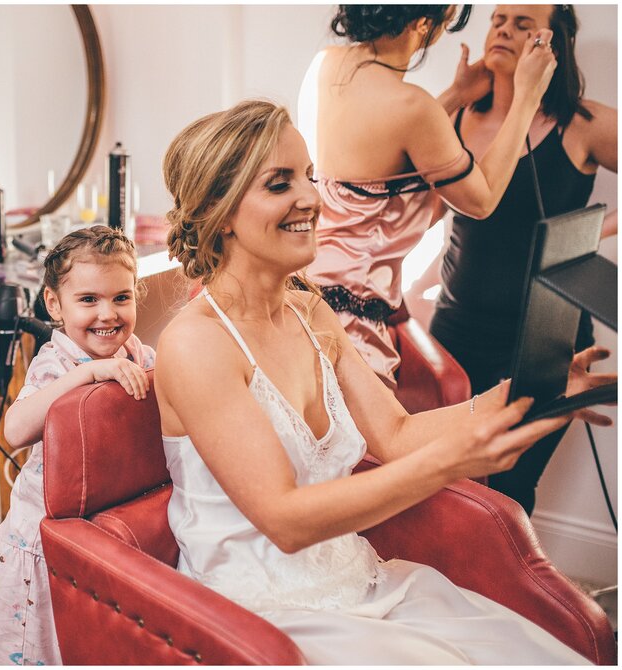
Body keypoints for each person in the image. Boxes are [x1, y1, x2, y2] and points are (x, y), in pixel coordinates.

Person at [154, 99, 613, 664]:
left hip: (362, 582)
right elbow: (285, 520)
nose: (311, 199)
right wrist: (449, 463)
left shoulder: (309, 312)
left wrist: (527, 394)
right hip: (261, 615)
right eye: (280, 184)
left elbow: (394, 433)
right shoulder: (196, 344)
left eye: (309, 176)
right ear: (221, 212)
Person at [297, 5, 557, 389]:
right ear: (423, 23)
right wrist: (527, 98)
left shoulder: (327, 64)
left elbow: (381, 145)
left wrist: (456, 95)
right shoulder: (413, 107)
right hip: (352, 324)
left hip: (305, 296)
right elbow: (481, 201)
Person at [428, 5, 618, 515]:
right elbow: (400, 204)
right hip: (456, 332)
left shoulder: (584, 124)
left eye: (522, 23)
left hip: (546, 341)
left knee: (507, 493)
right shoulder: (456, 119)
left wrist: (594, 230)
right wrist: (454, 95)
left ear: (554, 44)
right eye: (498, 19)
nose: (504, 30)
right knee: (445, 485)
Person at [0, 225, 156, 666]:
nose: (108, 314)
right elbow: (14, 429)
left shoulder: (139, 353)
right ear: (54, 304)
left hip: (98, 531)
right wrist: (86, 375)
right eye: (88, 300)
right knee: (39, 650)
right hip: (40, 542)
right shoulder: (56, 364)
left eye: (122, 297)